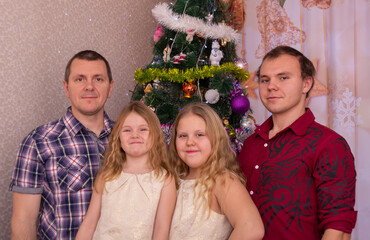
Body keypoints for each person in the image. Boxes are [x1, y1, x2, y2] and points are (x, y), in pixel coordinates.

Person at [238, 45, 357, 240]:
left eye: (283, 78)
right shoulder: (251, 144)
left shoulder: (329, 145)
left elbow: (338, 226)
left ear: (306, 84)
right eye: (265, 80)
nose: (271, 86)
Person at [10, 50, 114, 240]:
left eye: (98, 79)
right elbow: (23, 220)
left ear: (110, 87)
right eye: (80, 79)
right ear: (66, 88)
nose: (89, 86)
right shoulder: (38, 142)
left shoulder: (129, 139)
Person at [76, 101, 176, 240]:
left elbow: (161, 229)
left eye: (143, 129)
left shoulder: (164, 179)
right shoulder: (107, 176)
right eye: (127, 130)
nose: (135, 135)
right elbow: (89, 223)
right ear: (118, 138)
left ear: (155, 135)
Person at [169, 103, 264, 240]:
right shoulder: (173, 181)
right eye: (183, 136)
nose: (190, 142)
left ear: (216, 139)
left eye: (200, 134)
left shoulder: (222, 180)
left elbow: (251, 227)